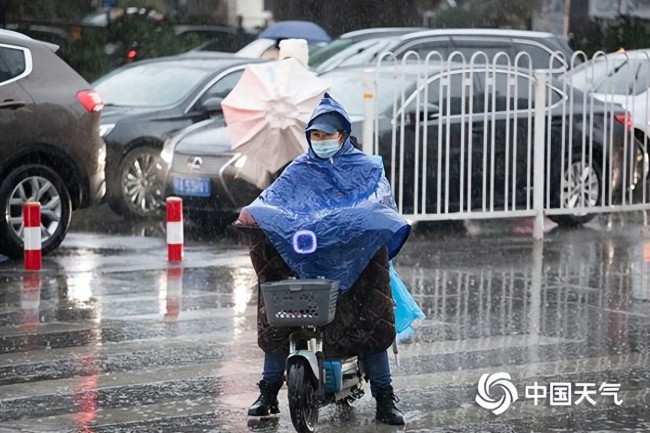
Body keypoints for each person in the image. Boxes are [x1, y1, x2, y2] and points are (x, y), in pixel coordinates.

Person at [235, 93, 411, 426]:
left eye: (328, 135)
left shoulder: (367, 168)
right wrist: (254, 214)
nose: (322, 141)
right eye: (316, 135)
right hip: (306, 261)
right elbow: (272, 200)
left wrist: (350, 219)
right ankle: (269, 392)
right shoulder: (300, 168)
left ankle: (385, 398)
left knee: (371, 319)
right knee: (277, 315)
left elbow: (379, 200)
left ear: (343, 135)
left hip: (353, 262)